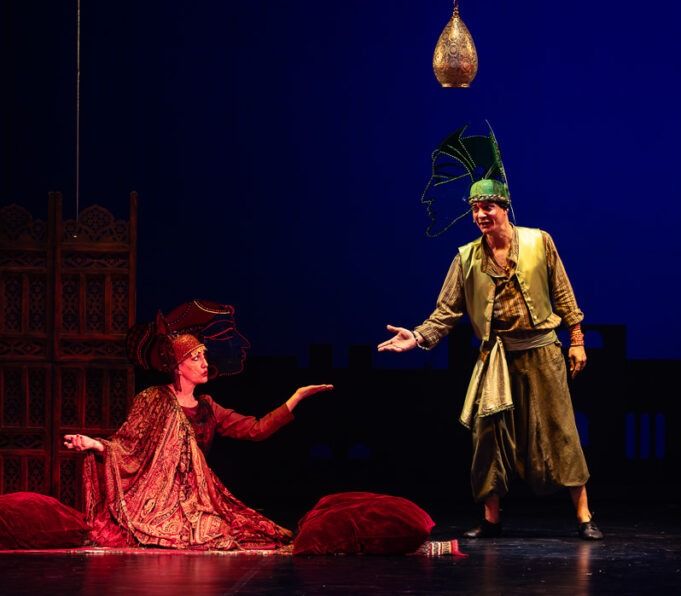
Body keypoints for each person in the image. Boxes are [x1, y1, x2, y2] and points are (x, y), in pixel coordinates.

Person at [378, 178, 603, 540]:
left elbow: (563, 292)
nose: (480, 215)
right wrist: (417, 337)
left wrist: (577, 340)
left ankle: (584, 515)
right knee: (488, 435)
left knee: (561, 429)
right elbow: (446, 312)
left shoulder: (539, 241)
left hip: (543, 352)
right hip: (496, 356)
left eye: (488, 207)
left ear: (504, 208)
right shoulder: (466, 257)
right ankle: (491, 518)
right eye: (475, 209)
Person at [64, 302, 333, 550]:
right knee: (175, 531)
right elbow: (128, 448)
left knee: (219, 530)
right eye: (196, 358)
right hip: (156, 501)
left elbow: (256, 429)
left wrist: (296, 397)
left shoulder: (207, 407)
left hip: (198, 500)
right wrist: (94, 444)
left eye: (204, 357)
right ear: (178, 367)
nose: (205, 364)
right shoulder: (153, 399)